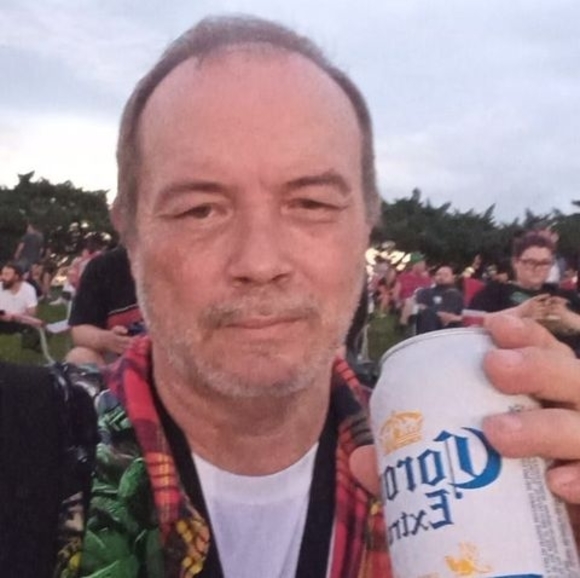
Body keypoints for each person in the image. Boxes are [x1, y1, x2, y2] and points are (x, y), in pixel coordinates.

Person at [4, 15, 580, 578]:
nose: (260, 263)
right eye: (200, 210)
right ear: (130, 235)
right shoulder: (21, 438)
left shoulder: (479, 459)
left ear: (366, 223)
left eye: (311, 204)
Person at [469, 231, 580, 355]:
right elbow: (471, 322)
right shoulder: (496, 291)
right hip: (510, 358)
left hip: (564, 361)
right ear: (515, 262)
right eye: (530, 262)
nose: (537, 268)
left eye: (544, 263)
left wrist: (568, 318)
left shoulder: (565, 296)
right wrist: (519, 312)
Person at [66, 245, 143, 365]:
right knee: (80, 356)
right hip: (122, 360)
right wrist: (107, 339)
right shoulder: (103, 267)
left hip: (170, 358)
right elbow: (79, 331)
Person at [415, 265, 464, 333]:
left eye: (446, 275)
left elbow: (459, 314)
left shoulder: (456, 295)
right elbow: (421, 308)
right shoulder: (425, 292)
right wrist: (438, 314)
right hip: (428, 325)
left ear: (453, 277)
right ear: (434, 277)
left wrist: (452, 318)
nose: (441, 277)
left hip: (450, 329)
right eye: (439, 274)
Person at [0, 261, 39, 328]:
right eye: (2, 274)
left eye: (6, 274)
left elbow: (32, 312)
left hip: (19, 322)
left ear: (16, 277)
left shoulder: (28, 289)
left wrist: (14, 317)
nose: (2, 277)